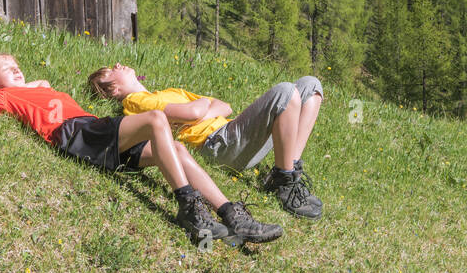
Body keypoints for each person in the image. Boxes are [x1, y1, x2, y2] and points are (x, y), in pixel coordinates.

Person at [0, 52, 282, 246]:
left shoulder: (33, 87)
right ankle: (188, 205)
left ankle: (230, 215)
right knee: (155, 121)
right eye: (5, 66)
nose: (15, 67)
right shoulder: (4, 95)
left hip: (97, 133)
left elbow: (41, 83)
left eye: (17, 63)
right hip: (76, 133)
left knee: (177, 149)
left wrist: (24, 80)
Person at [88, 63, 324, 219]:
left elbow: (224, 106)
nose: (118, 65)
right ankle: (283, 181)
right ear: (114, 88)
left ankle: (289, 173)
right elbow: (194, 112)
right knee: (285, 91)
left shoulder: (162, 94)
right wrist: (201, 108)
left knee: (310, 85)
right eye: (111, 70)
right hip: (218, 144)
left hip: (232, 134)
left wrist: (202, 110)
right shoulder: (136, 102)